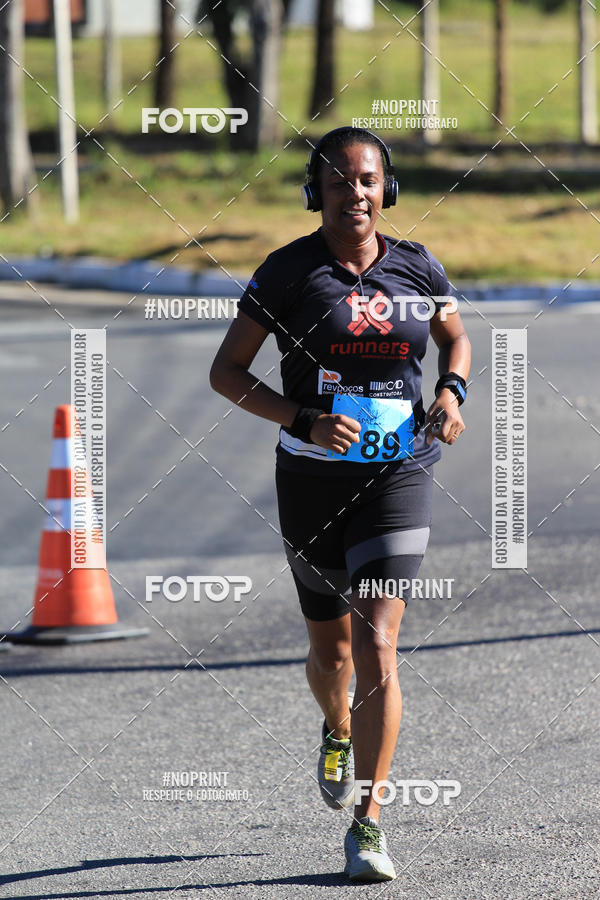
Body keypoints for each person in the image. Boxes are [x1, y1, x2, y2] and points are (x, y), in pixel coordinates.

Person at [209, 126, 471, 882]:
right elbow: (227, 373)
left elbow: (456, 339)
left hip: (400, 474)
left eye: (365, 181)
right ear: (315, 193)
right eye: (337, 182)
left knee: (380, 642)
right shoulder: (288, 273)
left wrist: (452, 392)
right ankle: (334, 723)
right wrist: (304, 419)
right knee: (334, 653)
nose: (353, 194)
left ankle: (368, 824)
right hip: (312, 480)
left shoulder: (417, 266)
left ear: (385, 190)